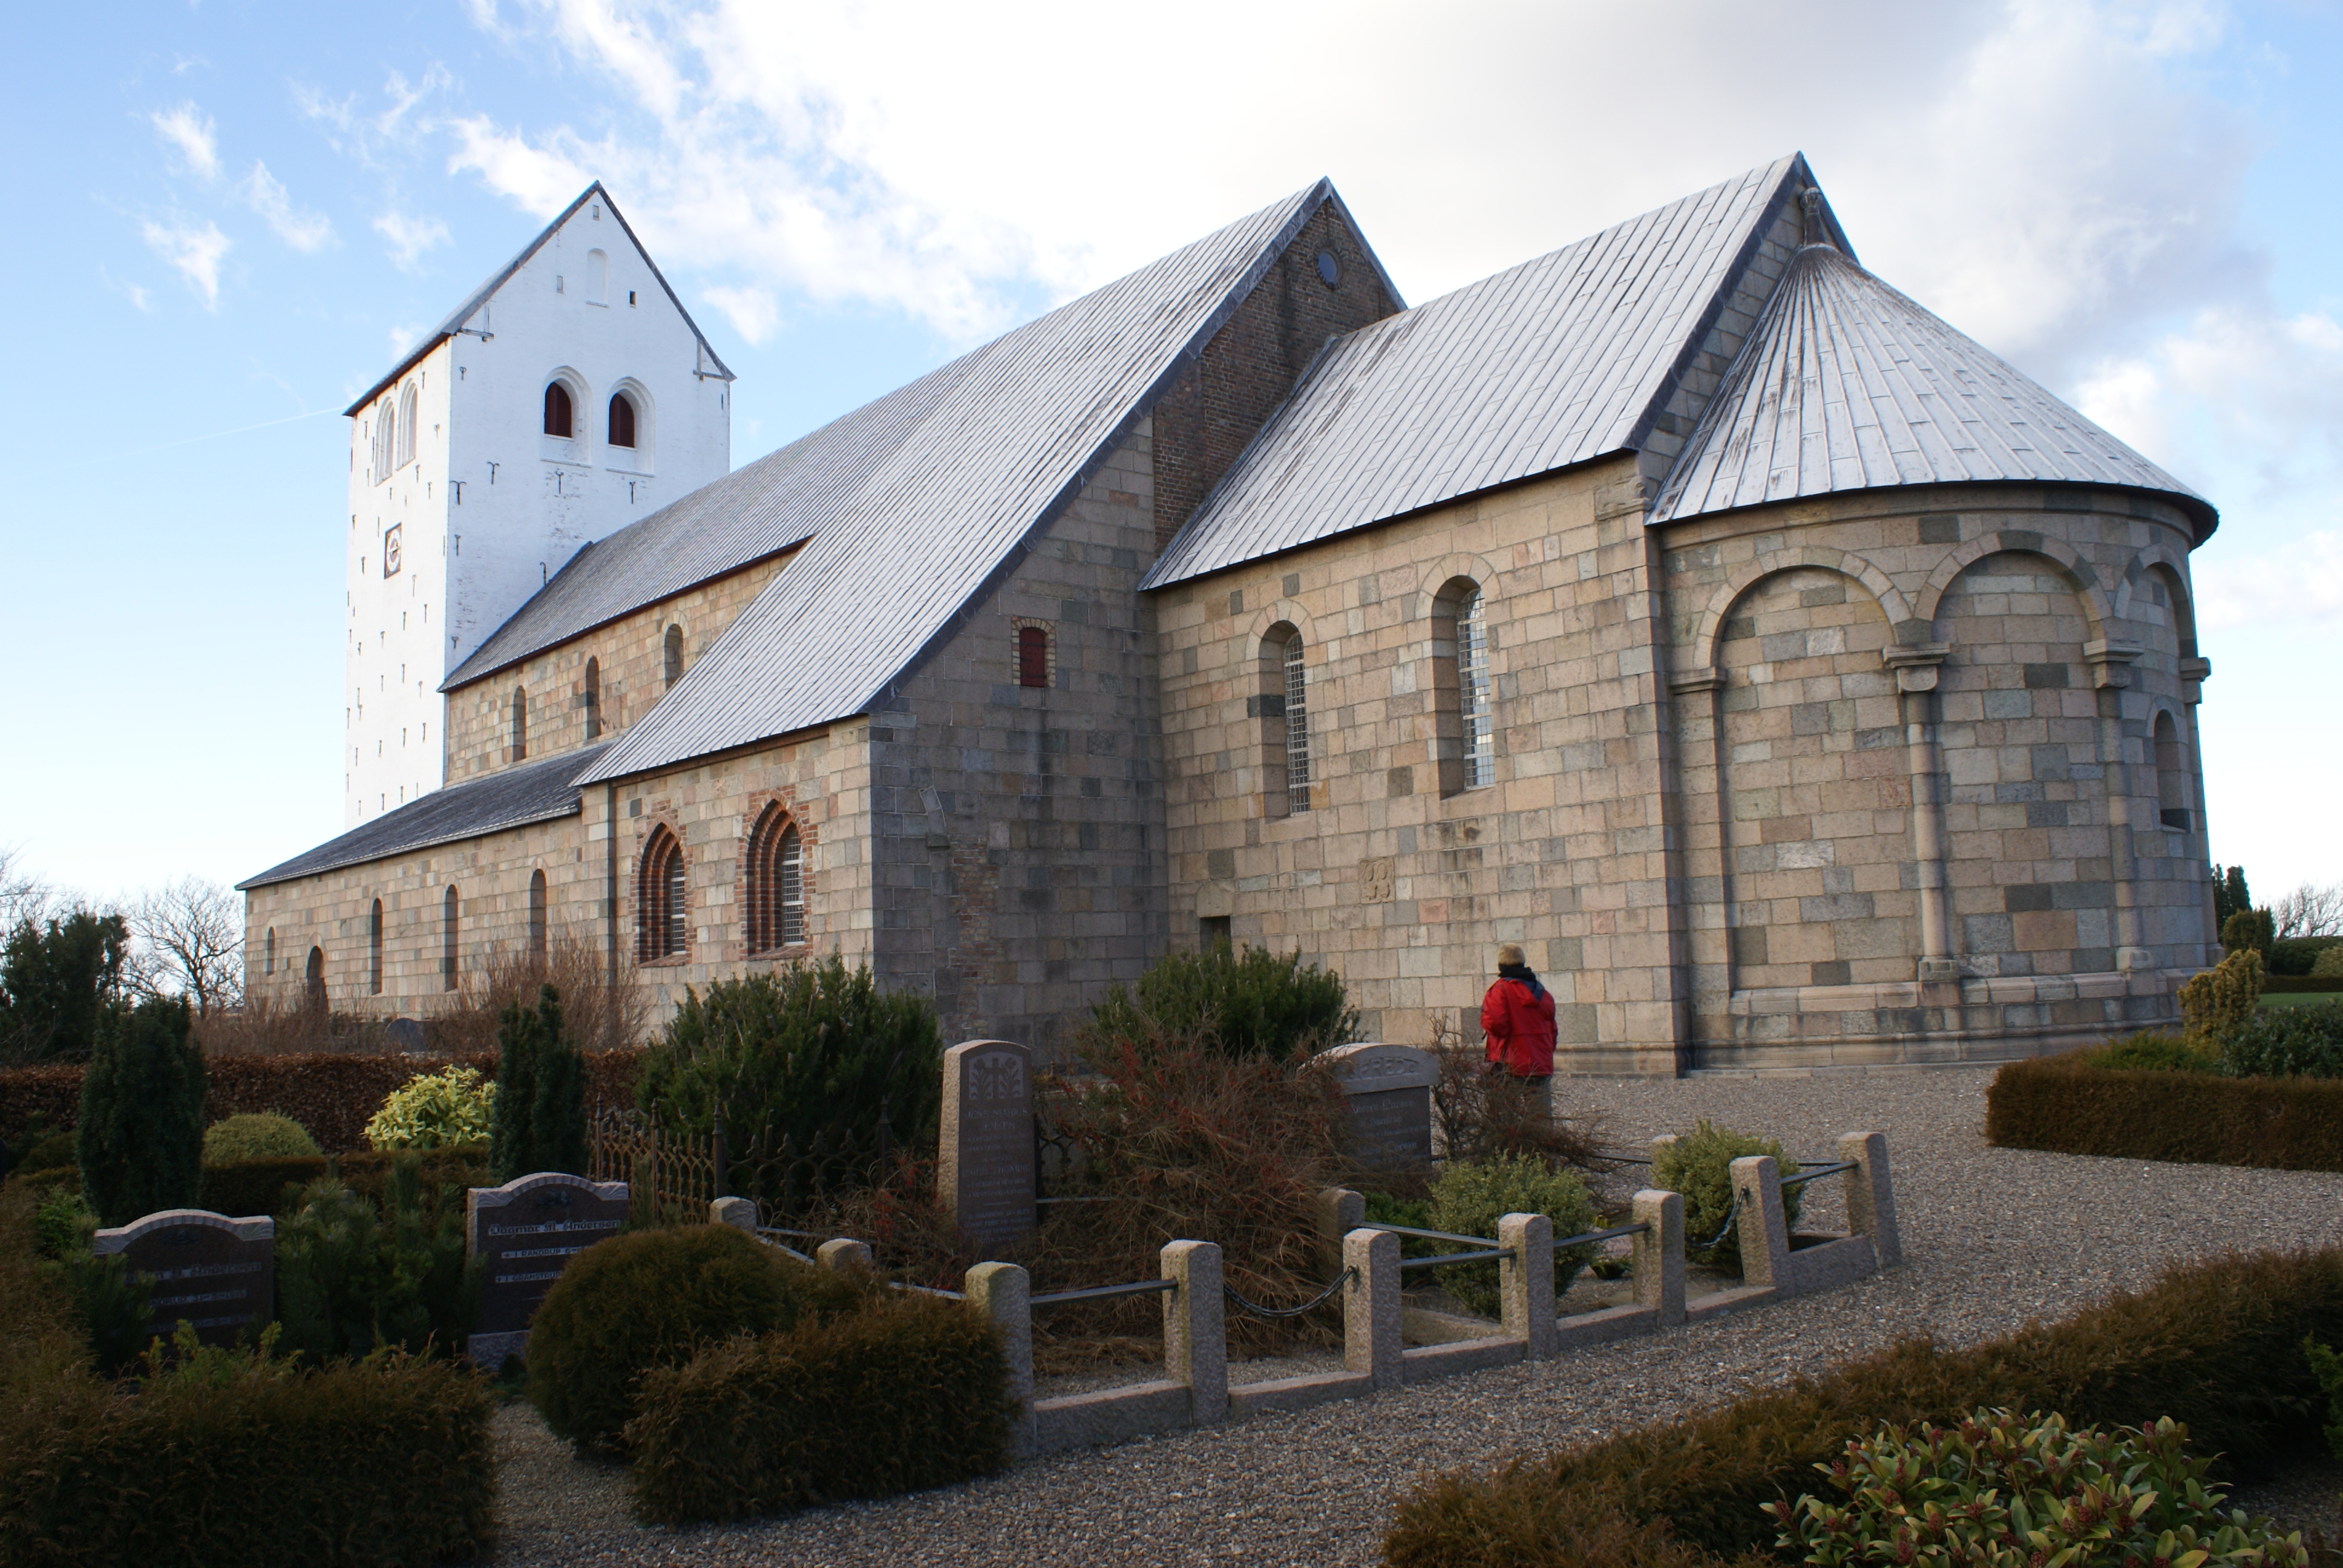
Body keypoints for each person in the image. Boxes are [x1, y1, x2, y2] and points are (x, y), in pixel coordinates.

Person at [1480, 942, 1557, 1082]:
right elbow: (1553, 1031)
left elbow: (1495, 1025)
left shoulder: (1500, 991)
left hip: (1510, 1064)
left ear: (1501, 965)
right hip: (1540, 1064)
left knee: (1506, 1104)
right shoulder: (1543, 993)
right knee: (1539, 1104)